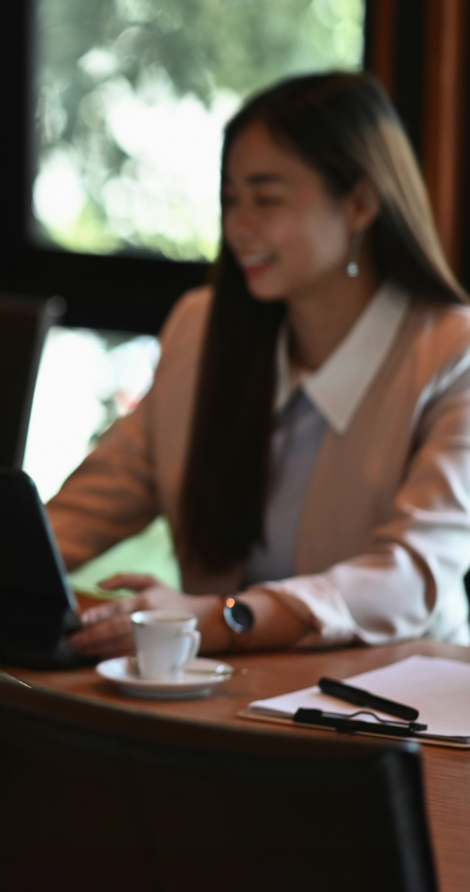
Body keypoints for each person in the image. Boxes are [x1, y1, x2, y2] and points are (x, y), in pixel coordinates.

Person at [49, 72, 470, 659]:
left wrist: (220, 618)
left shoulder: (454, 353)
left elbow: (410, 577)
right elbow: (93, 503)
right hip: (223, 700)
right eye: (230, 200)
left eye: (267, 200)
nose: (237, 229)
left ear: (360, 203)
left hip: (399, 710)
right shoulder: (203, 327)